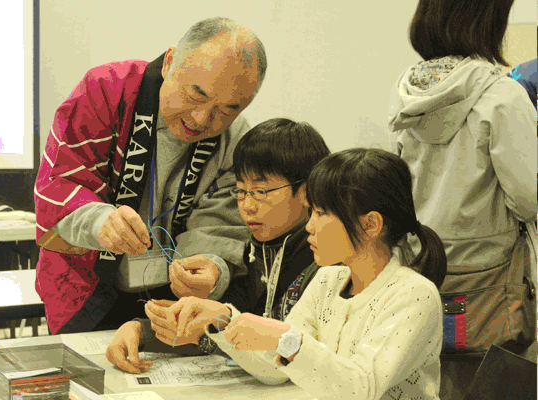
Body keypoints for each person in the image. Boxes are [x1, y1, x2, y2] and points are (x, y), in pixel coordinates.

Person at [34, 17, 267, 335]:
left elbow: (221, 228)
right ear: (170, 61)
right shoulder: (106, 91)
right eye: (196, 94)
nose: (201, 119)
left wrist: (212, 266)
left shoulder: (236, 140)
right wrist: (100, 222)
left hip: (174, 301)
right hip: (86, 288)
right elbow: (61, 183)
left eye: (227, 109)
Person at [158, 149, 447, 399]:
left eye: (321, 213)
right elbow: (274, 370)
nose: (309, 226)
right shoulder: (328, 280)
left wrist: (284, 336)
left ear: (370, 224)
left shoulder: (414, 295)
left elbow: (362, 388)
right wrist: (222, 319)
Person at [388, 1, 537, 399]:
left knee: (436, 377)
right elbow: (529, 197)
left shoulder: (407, 90)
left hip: (423, 265)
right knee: (494, 382)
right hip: (491, 275)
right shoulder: (501, 93)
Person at [104, 118, 333, 373]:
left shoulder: (328, 261)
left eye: (260, 191)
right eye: (241, 191)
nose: (247, 205)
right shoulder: (255, 250)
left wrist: (218, 325)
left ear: (305, 192)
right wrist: (142, 330)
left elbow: (291, 351)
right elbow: (215, 328)